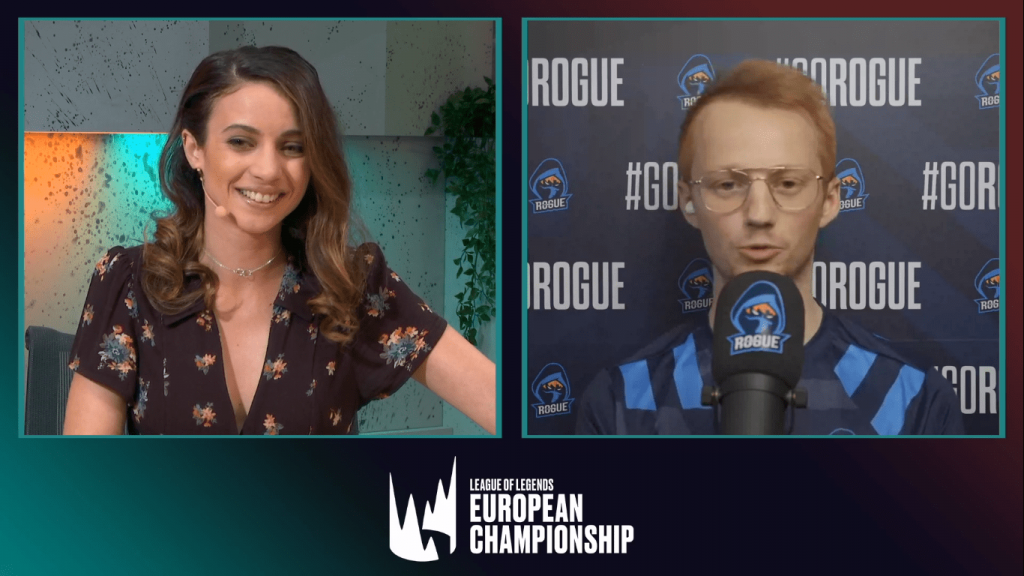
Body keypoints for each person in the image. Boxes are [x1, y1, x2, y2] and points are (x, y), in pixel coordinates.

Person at [63, 46, 495, 435]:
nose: (268, 170)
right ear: (194, 149)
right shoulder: (128, 282)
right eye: (241, 142)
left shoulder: (352, 285)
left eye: (293, 147)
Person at [576, 60, 963, 435]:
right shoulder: (621, 401)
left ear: (830, 200)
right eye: (728, 185)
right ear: (689, 201)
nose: (759, 214)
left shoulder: (911, 400)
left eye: (788, 183)